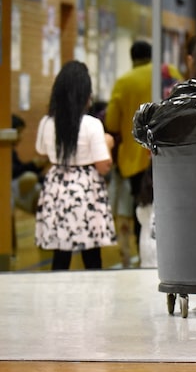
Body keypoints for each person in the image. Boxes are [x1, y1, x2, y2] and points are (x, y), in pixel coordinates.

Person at [35, 61, 117, 270]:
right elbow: (103, 166)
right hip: (86, 189)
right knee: (92, 255)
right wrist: (108, 143)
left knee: (60, 254)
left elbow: (42, 152)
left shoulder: (47, 122)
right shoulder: (92, 124)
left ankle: (55, 297)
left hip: (56, 187)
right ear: (85, 92)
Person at [105, 40, 181, 253]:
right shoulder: (169, 72)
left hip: (135, 159)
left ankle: (143, 251)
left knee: (142, 207)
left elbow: (111, 122)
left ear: (132, 59)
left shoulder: (124, 82)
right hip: (168, 152)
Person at [11, 114, 46, 215]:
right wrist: (32, 165)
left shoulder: (12, 151)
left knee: (39, 189)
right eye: (19, 133)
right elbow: (13, 172)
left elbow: (19, 169)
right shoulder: (4, 151)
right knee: (29, 178)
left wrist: (39, 166)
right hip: (9, 187)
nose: (21, 137)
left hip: (17, 187)